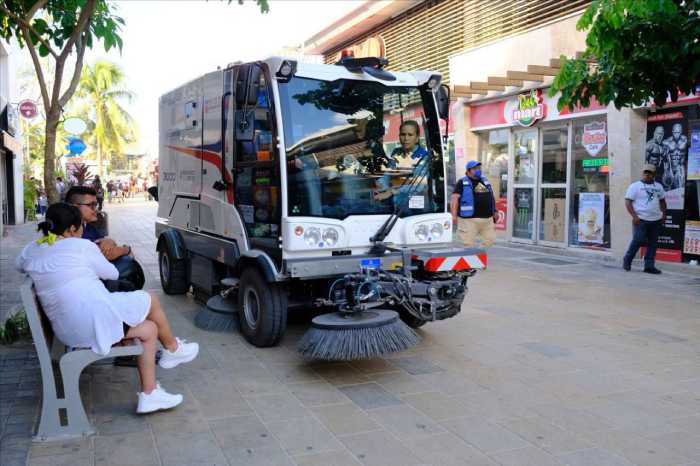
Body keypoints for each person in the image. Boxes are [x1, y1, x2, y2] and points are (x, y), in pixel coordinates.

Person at [16, 203, 199, 413]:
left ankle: (150, 395)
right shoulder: (81, 246)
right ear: (72, 230)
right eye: (81, 226)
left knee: (149, 328)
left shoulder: (33, 249)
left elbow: (19, 263)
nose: (83, 229)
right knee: (150, 299)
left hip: (67, 329)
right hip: (89, 323)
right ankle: (172, 349)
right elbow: (112, 273)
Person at [65, 185, 140, 288]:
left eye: (96, 205)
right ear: (75, 207)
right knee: (128, 265)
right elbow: (107, 254)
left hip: (91, 280)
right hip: (83, 286)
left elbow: (105, 246)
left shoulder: (87, 226)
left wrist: (110, 241)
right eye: (91, 205)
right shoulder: (68, 231)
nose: (95, 209)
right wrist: (126, 249)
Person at [623, 164, 667, 274]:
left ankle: (649, 266)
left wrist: (664, 214)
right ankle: (627, 259)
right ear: (642, 173)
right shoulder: (635, 186)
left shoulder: (659, 187)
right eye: (645, 172)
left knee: (653, 243)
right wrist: (634, 216)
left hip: (656, 220)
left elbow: (662, 201)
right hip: (641, 219)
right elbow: (628, 202)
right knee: (637, 240)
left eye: (649, 173)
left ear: (654, 174)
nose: (647, 174)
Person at [451, 160, 498, 248]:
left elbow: (491, 197)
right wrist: (453, 215)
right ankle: (470, 259)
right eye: (475, 168)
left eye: (479, 168)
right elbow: (454, 199)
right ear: (468, 171)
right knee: (468, 244)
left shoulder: (485, 181)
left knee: (490, 240)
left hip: (487, 219)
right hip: (468, 220)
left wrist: (495, 211)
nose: (478, 170)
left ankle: (477, 256)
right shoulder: (461, 182)